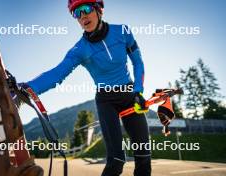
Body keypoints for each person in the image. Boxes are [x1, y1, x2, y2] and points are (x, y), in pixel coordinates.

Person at [21, 0, 151, 175]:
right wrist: (27, 87)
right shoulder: (79, 50)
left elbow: (138, 62)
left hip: (130, 95)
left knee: (143, 155)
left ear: (98, 9)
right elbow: (57, 74)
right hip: (107, 101)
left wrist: (138, 90)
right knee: (116, 160)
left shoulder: (123, 32)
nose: (82, 16)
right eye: (76, 13)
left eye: (85, 9)